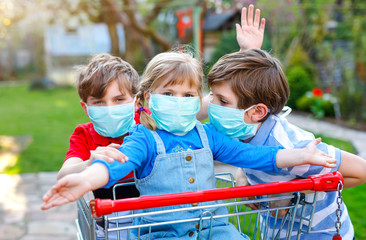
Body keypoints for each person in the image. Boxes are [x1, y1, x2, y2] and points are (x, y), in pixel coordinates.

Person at [41, 49, 336, 240]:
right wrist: (84, 179)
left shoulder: (208, 134)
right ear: (146, 99)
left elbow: (255, 155)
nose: (178, 103)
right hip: (163, 233)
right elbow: (113, 167)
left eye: (187, 96)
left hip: (214, 228)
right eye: (168, 94)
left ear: (198, 101)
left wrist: (301, 154)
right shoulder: (143, 139)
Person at [206, 49, 366, 239]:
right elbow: (247, 155)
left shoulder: (294, 146)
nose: (212, 105)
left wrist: (295, 190)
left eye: (223, 101)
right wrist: (242, 177)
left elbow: (361, 171)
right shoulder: (238, 130)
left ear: (257, 112)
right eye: (211, 95)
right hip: (280, 232)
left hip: (321, 233)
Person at [57, 53, 147, 239]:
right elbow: (63, 176)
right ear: (86, 107)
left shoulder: (147, 122)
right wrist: (89, 161)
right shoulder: (84, 135)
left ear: (135, 101)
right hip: (112, 225)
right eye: (98, 102)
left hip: (154, 218)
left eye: (119, 99)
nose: (109, 109)